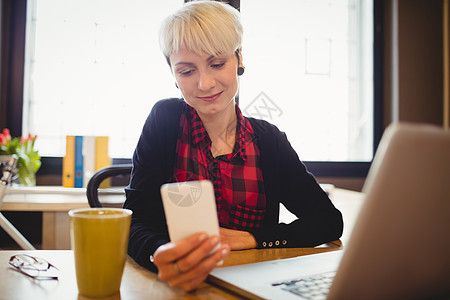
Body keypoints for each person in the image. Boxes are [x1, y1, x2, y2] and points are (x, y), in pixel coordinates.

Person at [123, 0, 343, 292]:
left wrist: (254, 238)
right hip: (179, 286)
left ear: (239, 59)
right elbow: (135, 221)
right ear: (173, 74)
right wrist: (159, 253)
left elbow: (328, 221)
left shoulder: (268, 140)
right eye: (187, 71)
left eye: (217, 64)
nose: (204, 83)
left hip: (251, 286)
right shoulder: (164, 121)